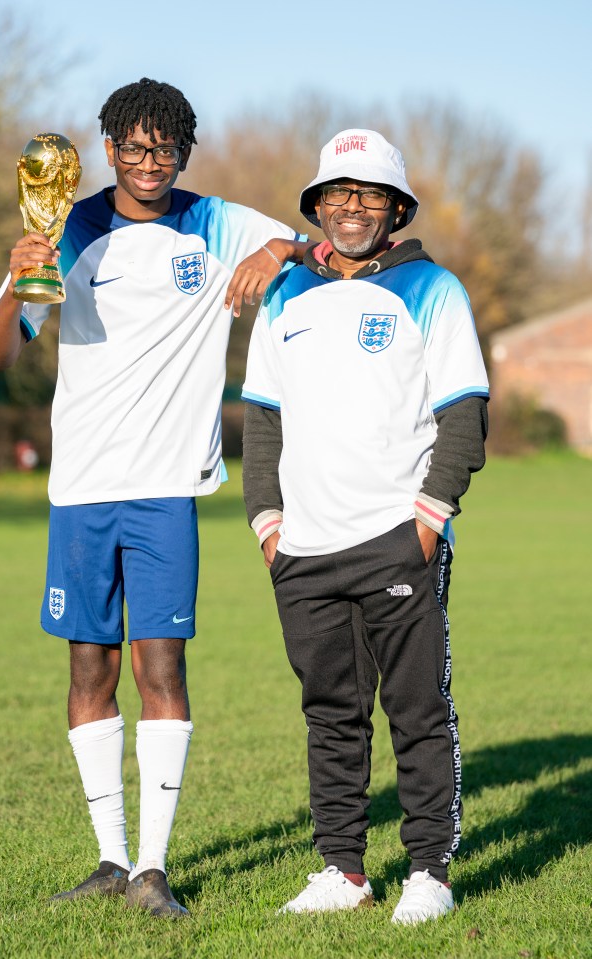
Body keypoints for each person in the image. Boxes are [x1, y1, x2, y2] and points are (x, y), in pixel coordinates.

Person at [0, 78, 309, 918]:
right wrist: (18, 280)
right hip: (81, 488)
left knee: (160, 664)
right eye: (132, 147)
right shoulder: (68, 227)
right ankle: (107, 856)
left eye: (164, 148)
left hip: (167, 489)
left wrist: (273, 254)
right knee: (87, 665)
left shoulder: (214, 221)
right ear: (109, 150)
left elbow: (310, 239)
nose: (148, 162)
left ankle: (153, 869)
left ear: (183, 154)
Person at [241, 128, 489, 924]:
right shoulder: (284, 294)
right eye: (336, 194)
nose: (351, 206)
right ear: (317, 206)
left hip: (397, 537)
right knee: (329, 714)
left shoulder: (434, 289)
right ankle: (343, 869)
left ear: (394, 207)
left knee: (418, 709)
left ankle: (430, 870)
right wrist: (268, 524)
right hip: (304, 549)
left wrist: (430, 516)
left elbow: (464, 416)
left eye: (368, 194)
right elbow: (262, 421)